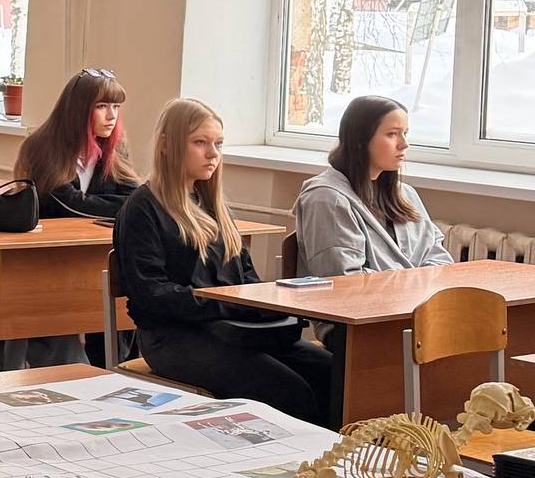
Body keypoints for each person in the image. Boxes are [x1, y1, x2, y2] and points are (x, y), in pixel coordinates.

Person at [115, 99, 335, 425]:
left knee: (332, 373)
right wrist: (223, 303)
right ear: (167, 145)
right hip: (174, 337)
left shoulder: (214, 206)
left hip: (231, 329)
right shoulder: (143, 208)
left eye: (218, 144)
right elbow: (152, 294)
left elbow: (246, 276)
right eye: (200, 142)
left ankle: (341, 452)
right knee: (289, 391)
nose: (212, 154)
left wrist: (269, 300)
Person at [296, 96, 451, 275]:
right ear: (360, 139)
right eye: (392, 134)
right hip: (367, 295)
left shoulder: (406, 194)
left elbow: (440, 259)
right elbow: (343, 278)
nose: (404, 144)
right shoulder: (328, 199)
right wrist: (413, 281)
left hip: (420, 293)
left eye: (405, 133)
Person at [15, 68, 139, 221]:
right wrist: (125, 206)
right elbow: (71, 206)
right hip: (53, 234)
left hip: (97, 235)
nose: (112, 116)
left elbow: (135, 196)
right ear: (78, 110)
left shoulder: (116, 145)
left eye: (116, 106)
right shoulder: (43, 147)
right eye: (101, 106)